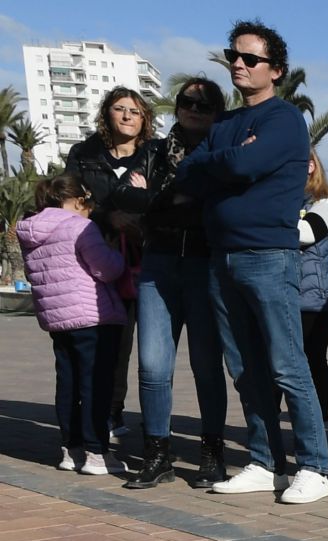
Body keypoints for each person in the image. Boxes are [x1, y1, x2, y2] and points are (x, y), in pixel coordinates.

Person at [171, 20, 328, 505]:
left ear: (275, 70)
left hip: (267, 256)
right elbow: (188, 174)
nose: (238, 65)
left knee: (287, 364)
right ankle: (265, 462)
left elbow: (234, 167)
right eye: (233, 56)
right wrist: (226, 160)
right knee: (243, 367)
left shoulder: (284, 120)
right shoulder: (224, 124)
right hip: (221, 257)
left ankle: (314, 468)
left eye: (250, 59)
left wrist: (223, 163)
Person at [121, 78, 227, 490]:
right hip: (159, 264)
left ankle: (212, 456)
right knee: (152, 366)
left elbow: (218, 205)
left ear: (217, 110)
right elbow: (120, 196)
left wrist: (156, 198)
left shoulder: (222, 154)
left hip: (204, 265)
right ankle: (157, 456)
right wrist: (172, 201)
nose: (194, 109)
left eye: (204, 104)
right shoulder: (154, 151)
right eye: (187, 102)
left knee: (206, 366)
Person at [16, 175, 127, 474]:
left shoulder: (29, 230)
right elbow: (106, 269)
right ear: (78, 200)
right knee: (96, 384)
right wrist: (116, 253)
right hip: (91, 315)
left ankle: (71, 449)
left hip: (57, 318)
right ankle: (96, 453)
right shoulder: (79, 226)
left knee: (68, 382)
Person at [65, 87, 153, 445]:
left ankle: (153, 423)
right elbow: (68, 201)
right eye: (120, 109)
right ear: (107, 114)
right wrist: (108, 216)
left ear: (144, 118)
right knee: (108, 344)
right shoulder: (83, 155)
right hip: (97, 260)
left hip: (146, 260)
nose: (128, 116)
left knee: (150, 348)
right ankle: (108, 412)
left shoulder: (154, 154)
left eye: (135, 110)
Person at [295, 150, 328, 423]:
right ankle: (274, 424)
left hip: (314, 296)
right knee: (277, 363)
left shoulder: (325, 203)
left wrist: (263, 220)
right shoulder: (286, 201)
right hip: (288, 292)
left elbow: (305, 233)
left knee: (313, 359)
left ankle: (317, 421)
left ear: (311, 165)